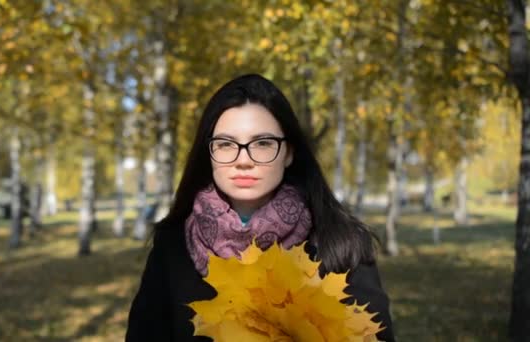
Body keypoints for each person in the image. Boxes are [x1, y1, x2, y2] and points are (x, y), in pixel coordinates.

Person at [126, 74, 395, 341]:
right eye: (225, 144)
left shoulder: (342, 243)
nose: (243, 160)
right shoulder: (173, 246)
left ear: (288, 153)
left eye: (263, 143)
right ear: (209, 154)